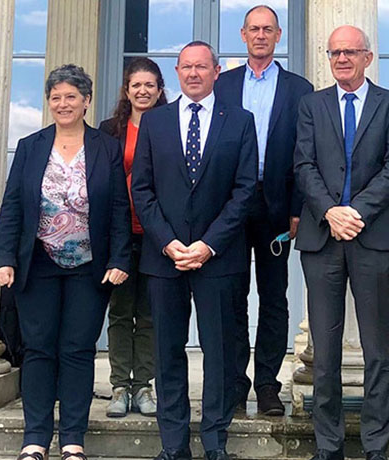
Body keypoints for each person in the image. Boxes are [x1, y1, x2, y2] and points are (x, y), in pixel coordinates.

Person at [0, 64, 131, 460]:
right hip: (38, 265)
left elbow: (119, 207)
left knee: (77, 349)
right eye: (56, 97)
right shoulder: (31, 146)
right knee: (38, 349)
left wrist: (120, 257)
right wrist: (4, 257)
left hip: (91, 266)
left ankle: (72, 439)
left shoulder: (106, 147)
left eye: (71, 97)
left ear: (86, 101)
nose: (63, 104)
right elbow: (13, 206)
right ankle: (34, 438)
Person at [131, 41, 257, 460]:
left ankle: (215, 442)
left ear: (217, 71)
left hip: (218, 259)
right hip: (164, 259)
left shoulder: (240, 122)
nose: (193, 74)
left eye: (201, 67)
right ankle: (174, 444)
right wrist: (168, 243)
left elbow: (244, 192)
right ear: (177, 72)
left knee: (219, 353)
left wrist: (206, 245)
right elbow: (142, 189)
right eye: (186, 67)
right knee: (167, 352)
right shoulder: (155, 122)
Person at [293, 26, 389, 460]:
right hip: (322, 238)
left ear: (368, 57)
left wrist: (355, 211)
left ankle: (376, 444)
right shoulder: (311, 105)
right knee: (325, 351)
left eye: (350, 52)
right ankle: (329, 444)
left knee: (378, 347)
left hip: (373, 237)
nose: (342, 58)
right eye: (335, 52)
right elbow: (302, 164)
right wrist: (329, 211)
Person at [214, 4, 313, 416]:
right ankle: (235, 385)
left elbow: (304, 153)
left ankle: (269, 386)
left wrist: (296, 209)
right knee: (233, 297)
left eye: (267, 29)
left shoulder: (299, 88)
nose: (260, 35)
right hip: (231, 206)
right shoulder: (224, 85)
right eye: (253, 29)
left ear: (278, 36)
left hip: (277, 206)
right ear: (242, 35)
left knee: (274, 299)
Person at [99, 57, 168, 418]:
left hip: (158, 233)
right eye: (136, 85)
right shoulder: (110, 129)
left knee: (151, 314)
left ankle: (144, 386)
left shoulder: (170, 124)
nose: (143, 91)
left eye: (150, 85)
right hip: (120, 234)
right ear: (127, 91)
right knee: (121, 312)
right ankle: (119, 387)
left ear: (159, 90)